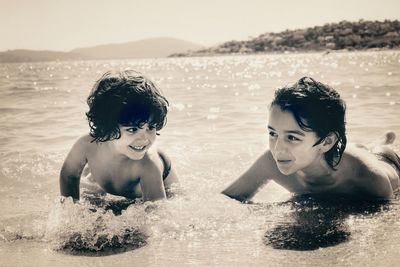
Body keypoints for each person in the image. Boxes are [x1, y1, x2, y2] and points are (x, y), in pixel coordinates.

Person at [222, 77, 400, 202]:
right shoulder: (271, 161)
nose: (278, 149)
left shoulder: (370, 179)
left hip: (387, 161)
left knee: (379, 150)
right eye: (273, 133)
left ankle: (383, 142)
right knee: (358, 147)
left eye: (292, 137)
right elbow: (229, 199)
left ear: (327, 142)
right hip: (336, 153)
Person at [60, 70, 179, 202]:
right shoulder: (86, 145)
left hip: (162, 182)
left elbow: (156, 211)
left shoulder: (147, 165)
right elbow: (69, 176)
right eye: (133, 129)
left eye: (150, 127)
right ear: (107, 127)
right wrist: (71, 208)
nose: (145, 138)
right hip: (108, 170)